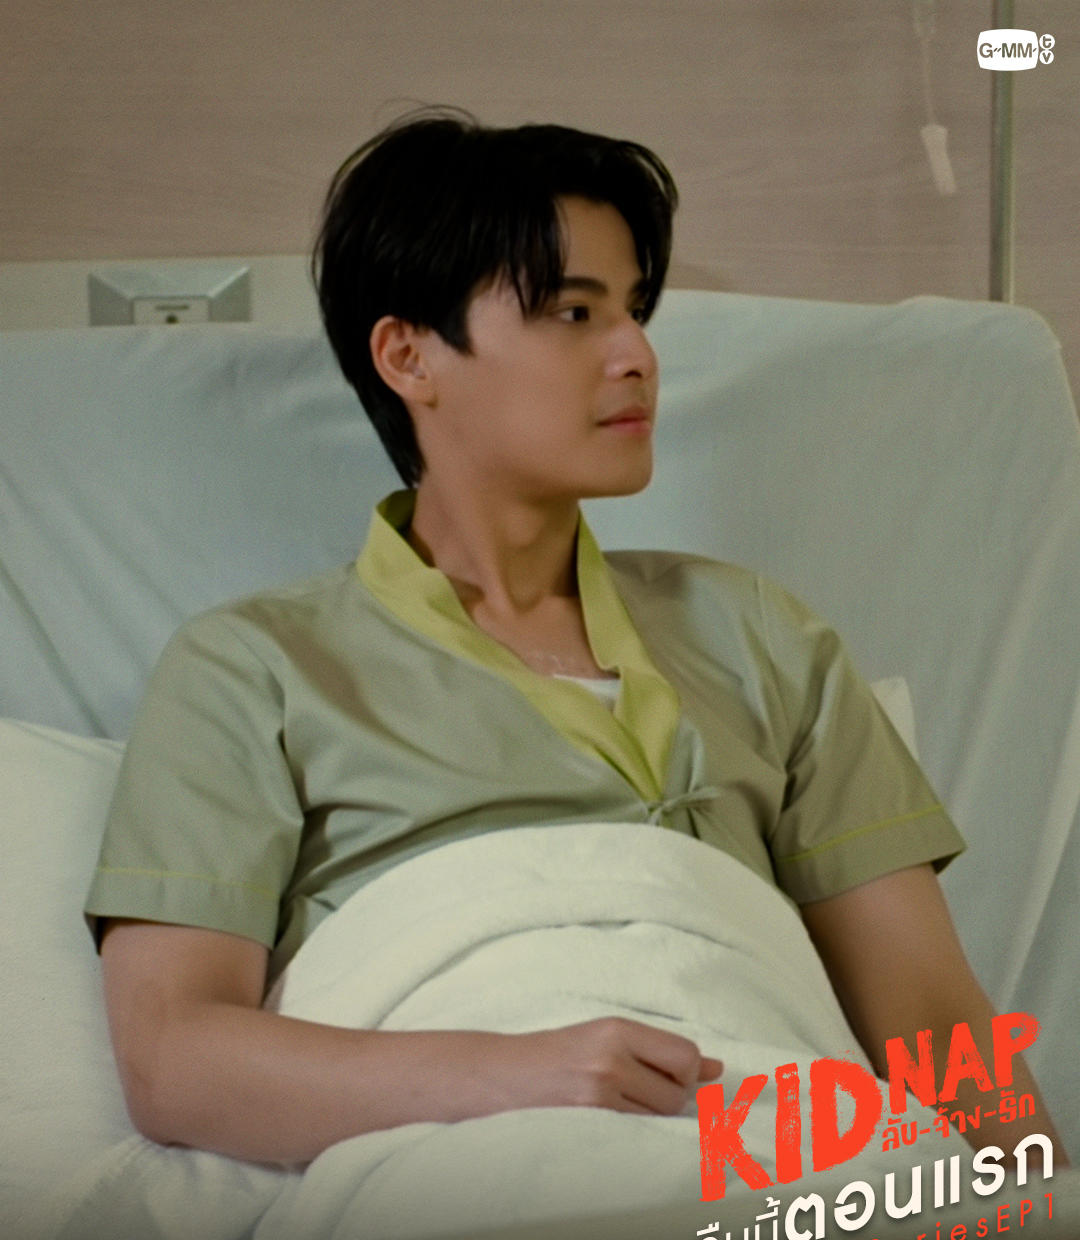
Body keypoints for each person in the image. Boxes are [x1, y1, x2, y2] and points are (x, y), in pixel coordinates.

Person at [87, 110, 1065, 1170]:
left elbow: (936, 1029)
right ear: (409, 355)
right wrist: (517, 1076)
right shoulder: (254, 669)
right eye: (573, 311)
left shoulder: (763, 639)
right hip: (466, 1166)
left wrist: (1040, 1223)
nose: (636, 354)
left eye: (634, 310)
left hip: (784, 1159)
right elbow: (173, 1056)